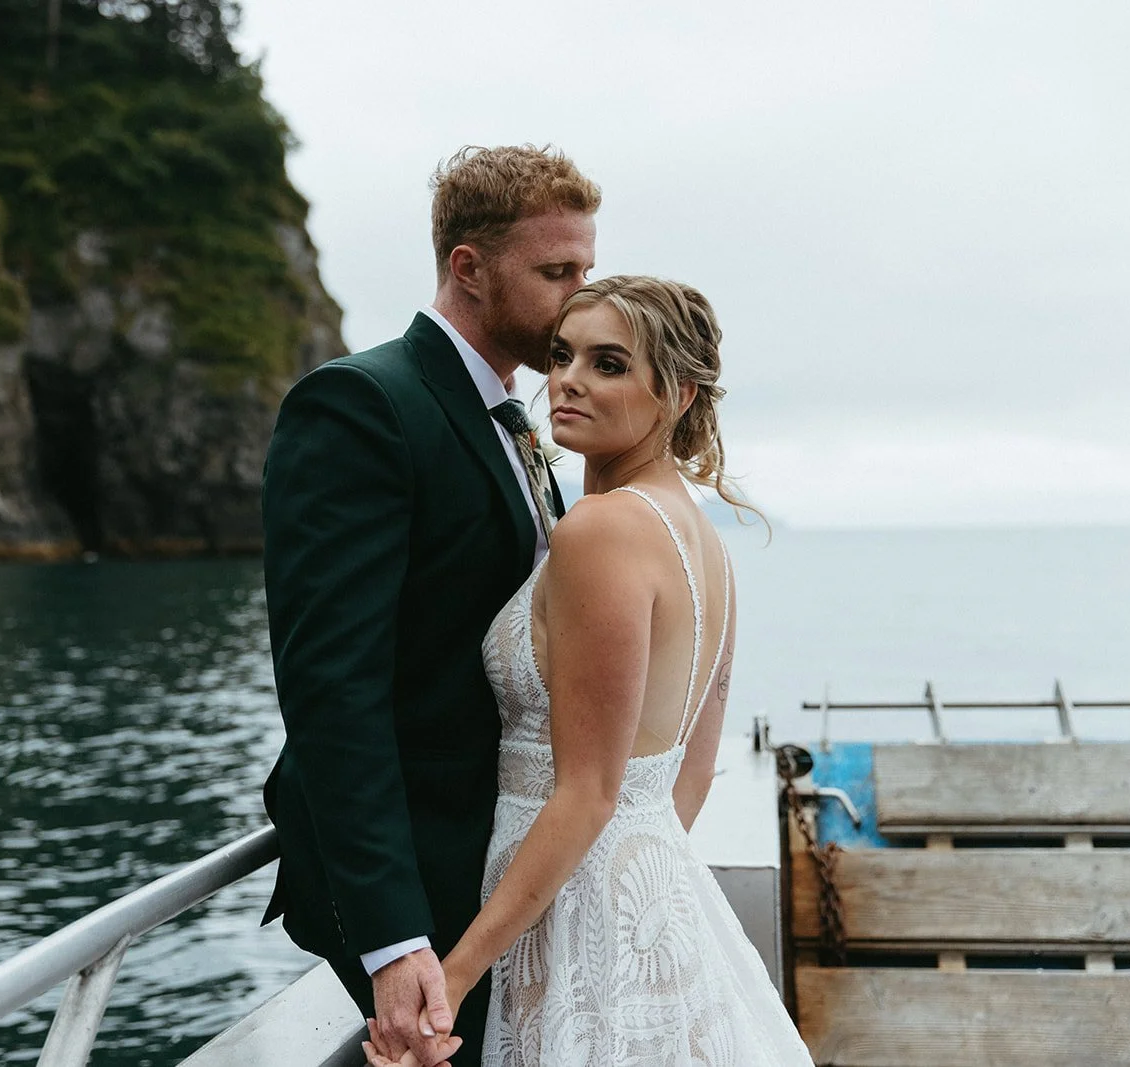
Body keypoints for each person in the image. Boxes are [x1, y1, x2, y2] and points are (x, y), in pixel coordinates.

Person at [364, 276, 814, 1066]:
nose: (568, 378)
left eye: (609, 363)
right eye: (564, 355)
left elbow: (588, 792)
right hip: (653, 904)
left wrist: (454, 982)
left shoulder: (601, 530)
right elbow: (690, 775)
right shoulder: (702, 541)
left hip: (574, 916)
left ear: (677, 393)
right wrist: (640, 908)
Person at [260, 145, 600, 1067]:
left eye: (586, 269)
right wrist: (392, 935)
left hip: (497, 847)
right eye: (556, 271)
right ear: (469, 268)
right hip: (415, 864)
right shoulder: (362, 404)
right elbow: (333, 684)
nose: (579, 295)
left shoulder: (518, 420)